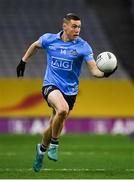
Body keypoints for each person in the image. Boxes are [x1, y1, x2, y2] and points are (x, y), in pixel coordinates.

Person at [16, 13, 117, 172]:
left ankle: (41, 149)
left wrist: (106, 73)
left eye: (79, 27)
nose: (78, 30)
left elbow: (94, 70)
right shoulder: (49, 39)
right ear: (65, 26)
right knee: (62, 110)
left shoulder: (83, 46)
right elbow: (35, 45)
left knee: (53, 124)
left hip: (70, 91)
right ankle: (55, 145)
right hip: (50, 85)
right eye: (74, 26)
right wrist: (23, 61)